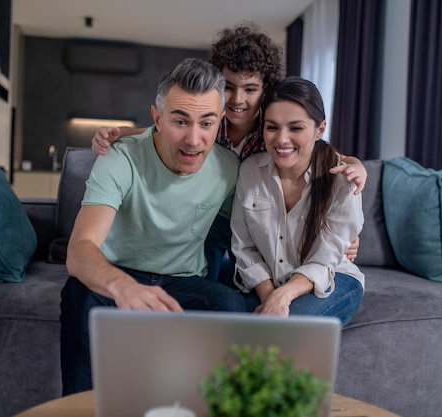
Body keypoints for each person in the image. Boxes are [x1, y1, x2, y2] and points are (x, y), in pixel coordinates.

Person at [90, 23, 364, 283]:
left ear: (265, 91)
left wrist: (356, 165)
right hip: (213, 216)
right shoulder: (209, 123)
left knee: (242, 275)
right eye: (228, 87)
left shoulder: (272, 130)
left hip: (256, 222)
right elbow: (161, 131)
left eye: (251, 89)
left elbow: (327, 154)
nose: (237, 99)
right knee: (206, 268)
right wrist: (121, 133)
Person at [59, 58, 247, 396]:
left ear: (220, 122)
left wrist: (337, 240)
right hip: (119, 273)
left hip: (184, 281)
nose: (193, 139)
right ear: (157, 118)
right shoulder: (120, 158)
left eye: (206, 123)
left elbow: (268, 221)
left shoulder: (229, 168)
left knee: (231, 305)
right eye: (179, 121)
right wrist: (124, 288)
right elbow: (79, 249)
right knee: (78, 294)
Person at [231, 76, 364, 326]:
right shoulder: (249, 171)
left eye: (295, 128)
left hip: (333, 279)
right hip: (268, 284)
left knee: (289, 330)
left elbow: (326, 260)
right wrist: (271, 296)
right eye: (272, 127)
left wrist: (285, 295)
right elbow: (244, 247)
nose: (282, 139)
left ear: (320, 130)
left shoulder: (342, 180)